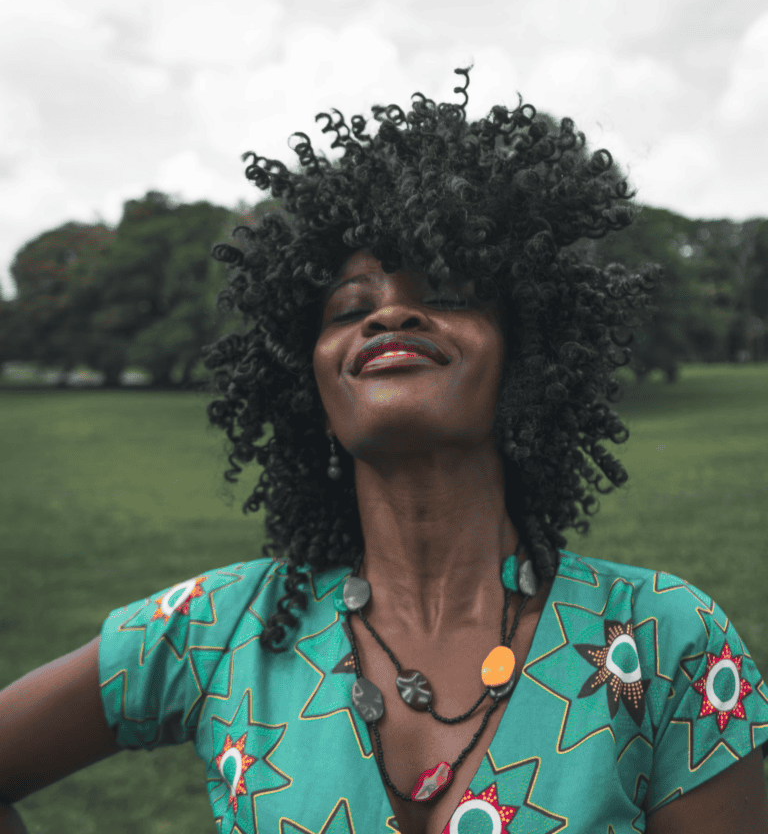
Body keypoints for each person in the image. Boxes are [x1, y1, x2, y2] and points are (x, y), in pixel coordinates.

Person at [1, 67, 767, 834]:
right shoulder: (218, 626)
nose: (392, 313)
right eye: (350, 307)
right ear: (308, 384)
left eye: (447, 294)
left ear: (527, 355)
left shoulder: (666, 639)